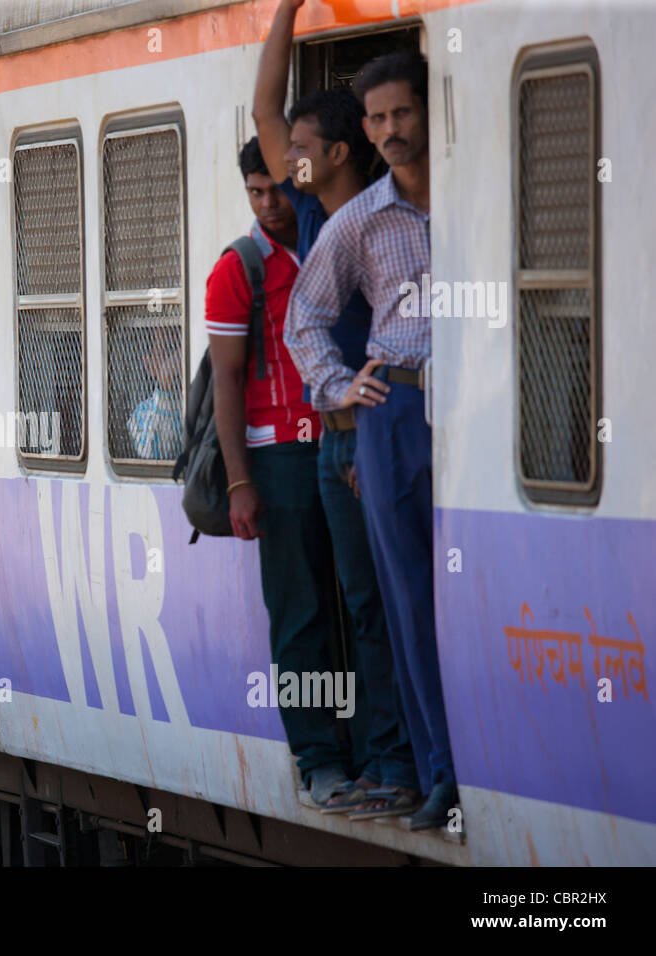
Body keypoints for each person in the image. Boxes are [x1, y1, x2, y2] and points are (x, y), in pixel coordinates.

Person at [254, 0, 419, 819]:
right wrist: (285, 11)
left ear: (339, 153)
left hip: (368, 438)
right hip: (337, 439)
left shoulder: (362, 217)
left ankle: (395, 762)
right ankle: (384, 759)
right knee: (359, 602)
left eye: (305, 153)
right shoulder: (325, 215)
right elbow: (264, 110)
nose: (290, 163)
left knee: (380, 602)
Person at [285, 50, 458, 831]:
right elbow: (304, 319)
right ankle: (439, 776)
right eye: (378, 118)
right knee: (409, 601)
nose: (391, 130)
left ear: (430, 110)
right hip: (394, 415)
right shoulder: (360, 219)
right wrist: (340, 389)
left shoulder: (472, 194)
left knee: (472, 596)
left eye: (402, 114)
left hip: (480, 414)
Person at [208, 138, 351, 806]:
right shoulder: (238, 267)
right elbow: (227, 381)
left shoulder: (332, 240)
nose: (268, 205)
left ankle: (375, 750)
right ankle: (317, 756)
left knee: (359, 603)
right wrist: (240, 482)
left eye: (277, 191)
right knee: (300, 614)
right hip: (278, 458)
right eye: (255, 193)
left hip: (344, 445)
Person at [127, 337, 182, 459]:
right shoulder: (140, 414)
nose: (175, 357)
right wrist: (166, 376)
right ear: (148, 364)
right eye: (169, 348)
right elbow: (152, 453)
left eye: (179, 347)